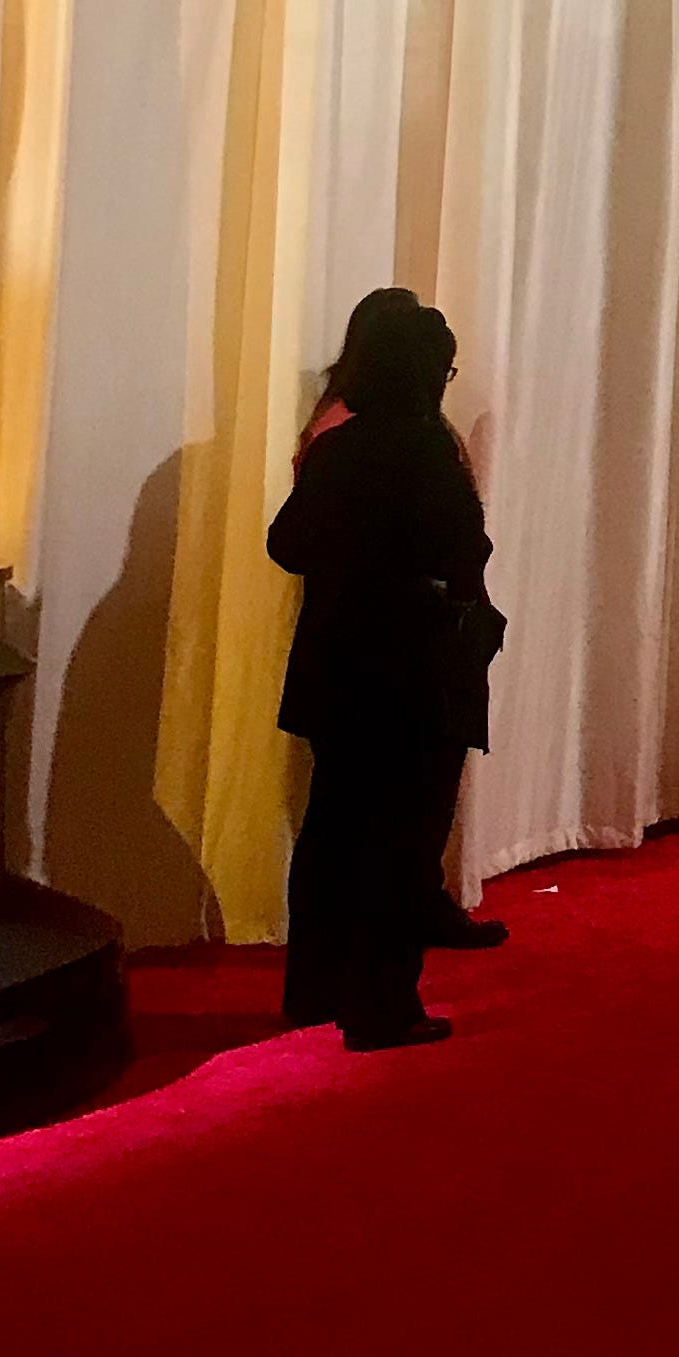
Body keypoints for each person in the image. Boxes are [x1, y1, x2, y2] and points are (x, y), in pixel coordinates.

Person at [273, 288, 506, 1049]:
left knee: (333, 831)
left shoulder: (339, 444)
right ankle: (381, 1006)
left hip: (338, 672)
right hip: (414, 676)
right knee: (402, 843)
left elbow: (287, 545)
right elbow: (464, 555)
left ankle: (311, 988)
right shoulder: (425, 449)